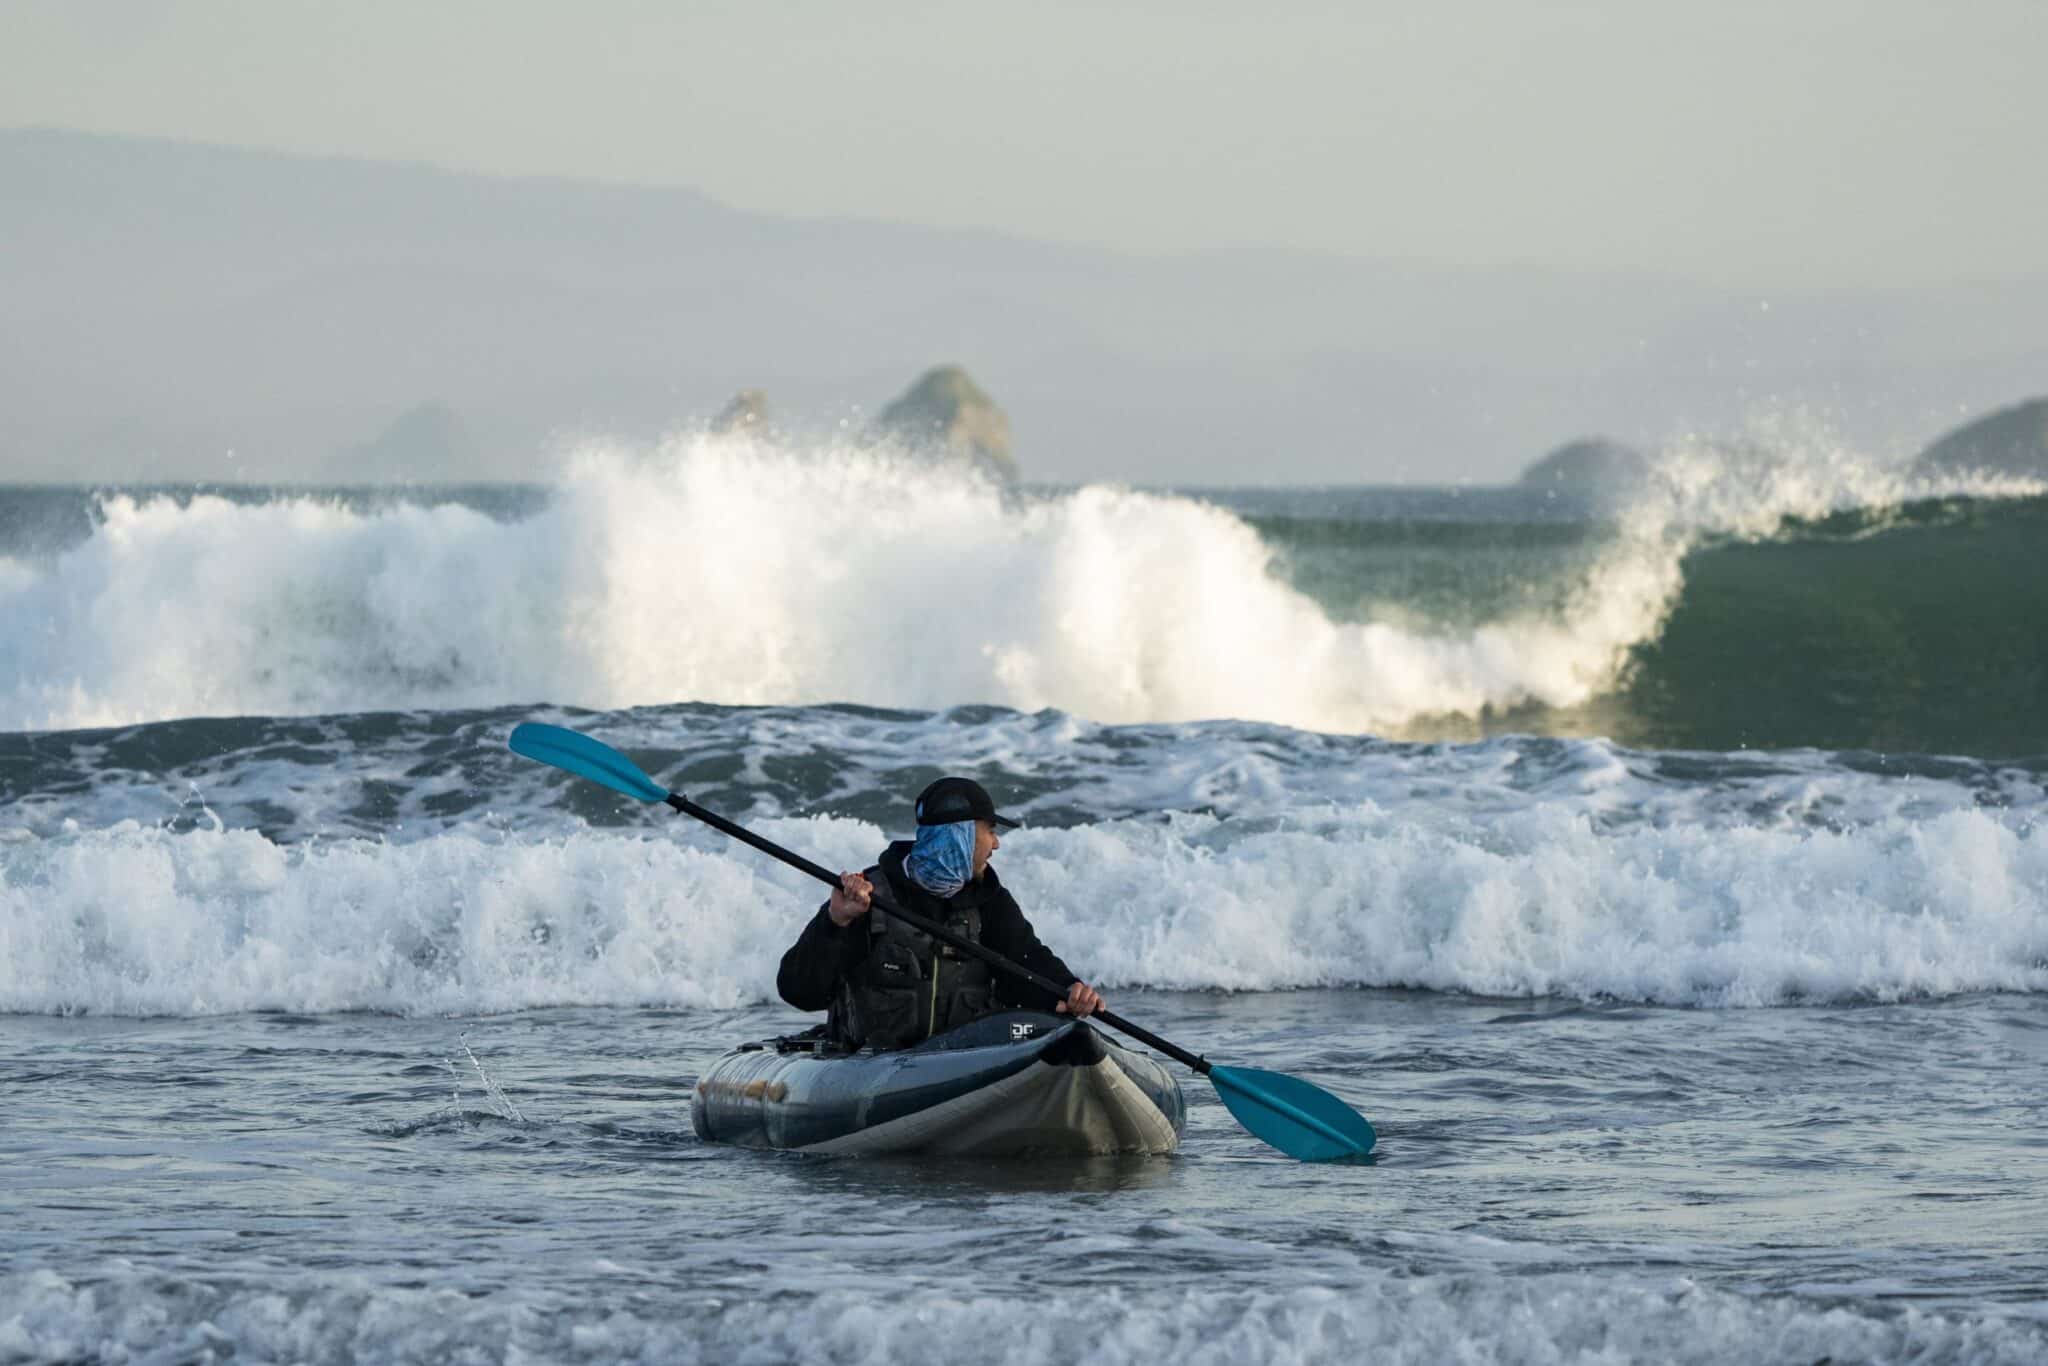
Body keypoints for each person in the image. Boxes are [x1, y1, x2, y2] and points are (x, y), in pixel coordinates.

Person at [776, 775, 1105, 1050]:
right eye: (990, 830)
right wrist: (836, 921)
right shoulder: (866, 897)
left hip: (959, 1067)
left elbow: (1026, 964)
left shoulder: (989, 899)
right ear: (959, 835)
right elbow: (800, 992)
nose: (996, 844)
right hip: (869, 1067)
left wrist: (1068, 990)